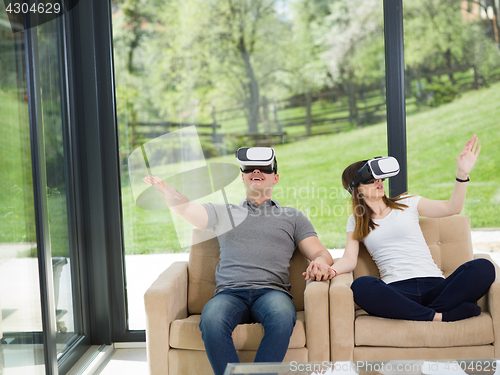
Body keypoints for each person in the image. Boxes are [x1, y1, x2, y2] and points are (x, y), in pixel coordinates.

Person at [144, 147, 334, 375]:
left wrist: (321, 262)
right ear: (243, 176)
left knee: (283, 316)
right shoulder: (223, 212)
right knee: (211, 319)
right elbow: (188, 210)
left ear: (275, 177)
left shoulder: (293, 217)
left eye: (265, 168)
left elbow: (321, 253)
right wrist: (172, 196)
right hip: (230, 293)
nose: (257, 171)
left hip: (272, 293)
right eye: (249, 169)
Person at [331, 135, 495, 322]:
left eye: (381, 178)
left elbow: (453, 208)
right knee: (361, 286)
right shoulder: (356, 220)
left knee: (483, 267)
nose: (379, 182)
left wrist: (462, 174)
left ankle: (421, 313)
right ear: (357, 189)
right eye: (371, 179)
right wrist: (330, 270)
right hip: (397, 291)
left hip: (436, 287)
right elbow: (349, 259)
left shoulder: (407, 203)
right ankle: (441, 316)